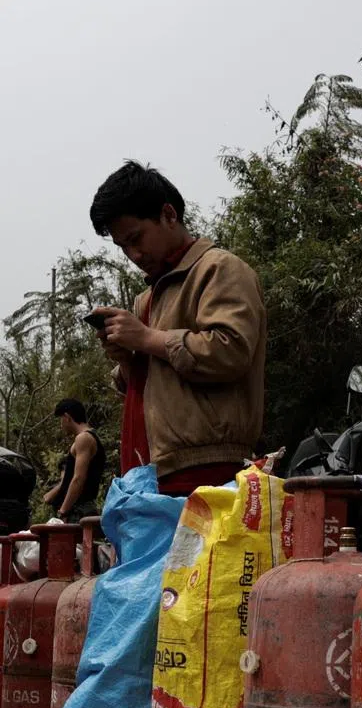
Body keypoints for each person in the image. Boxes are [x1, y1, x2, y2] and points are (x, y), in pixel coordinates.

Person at [88, 162, 266, 497]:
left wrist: (146, 338)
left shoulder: (220, 269)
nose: (133, 254)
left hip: (208, 468)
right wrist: (127, 358)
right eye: (123, 247)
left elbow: (230, 351)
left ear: (169, 214)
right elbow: (147, 383)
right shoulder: (148, 298)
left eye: (136, 238)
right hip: (147, 472)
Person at [43, 399, 106, 523]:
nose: (61, 425)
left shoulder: (84, 438)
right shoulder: (85, 438)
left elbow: (78, 478)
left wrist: (63, 511)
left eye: (60, 420)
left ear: (67, 417)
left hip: (79, 510)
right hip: (76, 509)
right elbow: (70, 477)